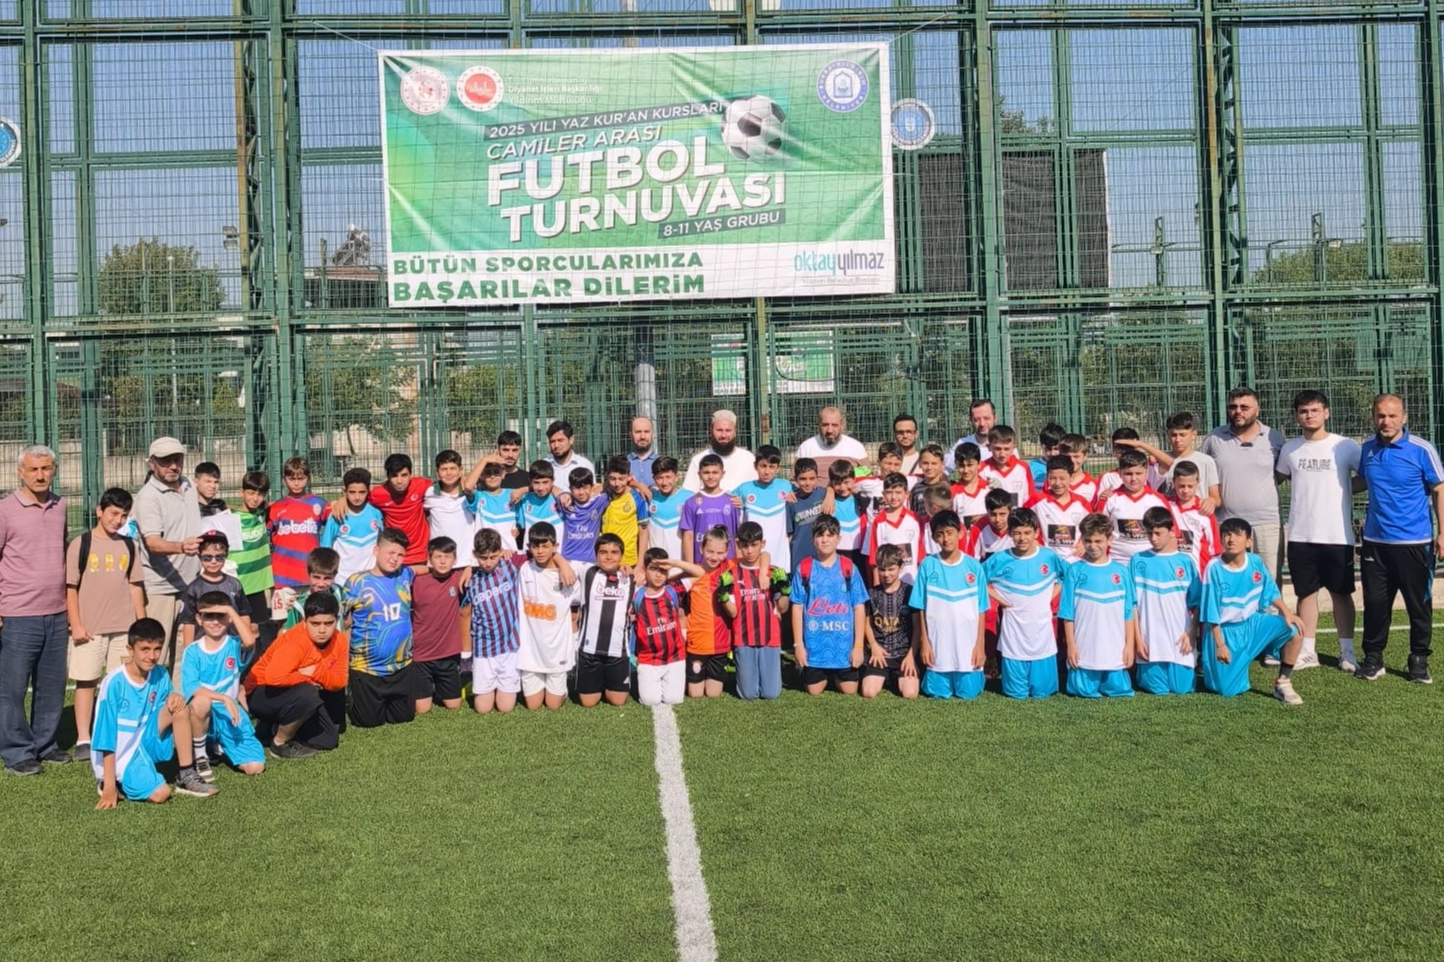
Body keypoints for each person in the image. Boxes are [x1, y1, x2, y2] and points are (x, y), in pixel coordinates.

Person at [1355, 393, 1444, 684]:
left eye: (1392, 415)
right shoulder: (1367, 449)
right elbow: (1361, 482)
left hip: (1414, 544)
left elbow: (1439, 489)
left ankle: (1418, 660)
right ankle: (1373, 658)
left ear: (1404, 417)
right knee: (1375, 604)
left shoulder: (1421, 449)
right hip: (1375, 543)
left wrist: (1442, 533)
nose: (1386, 421)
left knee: (1419, 606)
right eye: (1381, 415)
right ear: (1374, 418)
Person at [1276, 389, 1362, 672]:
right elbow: (1277, 479)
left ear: (1326, 413)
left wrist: (1343, 488)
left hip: (1337, 534)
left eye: (1314, 410)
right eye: (1303, 411)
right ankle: (1308, 651)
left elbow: (1367, 478)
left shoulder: (1346, 446)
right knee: (1306, 594)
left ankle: (1347, 652)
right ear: (1296, 416)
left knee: (1341, 593)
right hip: (1301, 535)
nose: (1309, 415)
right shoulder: (1290, 449)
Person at [91, 618, 217, 806]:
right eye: (145, 649)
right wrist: (109, 786)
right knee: (161, 794)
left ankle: (186, 774)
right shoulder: (114, 682)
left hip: (143, 741)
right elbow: (105, 736)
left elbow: (166, 706)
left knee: (178, 706)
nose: (152, 656)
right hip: (120, 756)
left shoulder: (160, 674)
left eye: (157, 649)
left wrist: (174, 696)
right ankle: (113, 780)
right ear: (130, 650)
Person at [0, 444, 70, 776]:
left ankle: (45, 744)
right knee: (13, 688)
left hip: (57, 611)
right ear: (20, 472)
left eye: (46, 468)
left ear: (54, 470)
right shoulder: (5, 510)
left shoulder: (61, 506)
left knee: (52, 685)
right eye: (33, 469)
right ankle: (17, 752)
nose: (40, 475)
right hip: (17, 613)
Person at [65, 488, 146, 759]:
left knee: (119, 683)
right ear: (99, 511)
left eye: (123, 516)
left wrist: (141, 624)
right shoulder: (81, 544)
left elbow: (135, 586)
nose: (117, 520)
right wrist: (76, 624)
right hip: (89, 629)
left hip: (124, 628)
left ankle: (115, 733)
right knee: (86, 682)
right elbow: (71, 588)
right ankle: (83, 738)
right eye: (113, 513)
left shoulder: (129, 545)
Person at [1200, 517, 1307, 703]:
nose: (1231, 539)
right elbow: (1211, 613)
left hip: (1253, 623)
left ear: (1248, 541)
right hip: (1225, 632)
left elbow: (1270, 591)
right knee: (1226, 690)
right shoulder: (1214, 568)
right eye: (1227, 535)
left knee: (1295, 629)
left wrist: (1288, 613)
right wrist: (1220, 645)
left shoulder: (1255, 562)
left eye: (1237, 535)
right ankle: (1236, 664)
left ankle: (1283, 682)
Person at [244, 592, 348, 756]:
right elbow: (274, 677)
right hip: (261, 692)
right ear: (304, 621)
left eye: (329, 623)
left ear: (337, 620)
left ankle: (272, 726)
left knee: (328, 740)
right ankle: (280, 743)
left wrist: (315, 671)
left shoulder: (340, 640)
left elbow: (340, 681)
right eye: (315, 623)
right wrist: (308, 678)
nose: (322, 630)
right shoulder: (294, 642)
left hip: (294, 690)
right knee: (308, 693)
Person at [1199, 387, 1286, 581]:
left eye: (1244, 407)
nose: (1238, 411)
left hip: (1266, 523)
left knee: (1268, 580)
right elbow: (1197, 469)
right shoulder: (1213, 439)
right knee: (1228, 579)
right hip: (1225, 522)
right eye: (1233, 407)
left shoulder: (1274, 438)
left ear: (1257, 409)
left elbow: (1280, 475)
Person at [132, 436, 203, 666]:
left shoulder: (189, 485)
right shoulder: (147, 497)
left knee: (184, 654)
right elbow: (152, 542)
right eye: (165, 461)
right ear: (151, 463)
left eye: (177, 459)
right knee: (154, 654)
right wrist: (180, 547)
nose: (173, 466)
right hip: (160, 588)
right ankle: (148, 690)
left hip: (190, 583)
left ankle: (178, 691)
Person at [179, 592, 264, 782]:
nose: (215, 622)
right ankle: (201, 755)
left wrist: (230, 610)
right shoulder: (192, 651)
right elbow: (193, 689)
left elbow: (250, 641)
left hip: (229, 714)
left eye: (221, 616)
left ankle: (219, 745)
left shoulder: (234, 644)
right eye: (209, 616)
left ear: (229, 618)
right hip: (205, 712)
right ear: (199, 619)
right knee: (201, 702)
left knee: (255, 767)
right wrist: (224, 698)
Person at [984, 507, 1064, 700]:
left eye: (1027, 532)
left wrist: (1049, 597)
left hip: (1042, 634)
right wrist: (1001, 600)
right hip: (1014, 635)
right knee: (1016, 694)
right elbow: (977, 580)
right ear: (1010, 533)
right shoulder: (1000, 559)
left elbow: (1064, 576)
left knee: (1042, 693)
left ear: (1036, 532)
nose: (1022, 538)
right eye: (1017, 533)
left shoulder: (1049, 556)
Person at [343, 527, 418, 728]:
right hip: (367, 669)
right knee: (368, 722)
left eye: (400, 555)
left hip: (401, 666)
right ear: (376, 550)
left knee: (404, 718)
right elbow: (344, 623)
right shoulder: (356, 583)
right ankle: (352, 694)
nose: (395, 559)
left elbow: (422, 568)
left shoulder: (405, 575)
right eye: (391, 552)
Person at [791, 514, 869, 696]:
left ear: (838, 539)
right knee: (814, 691)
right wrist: (798, 645)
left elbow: (859, 607)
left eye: (830, 535)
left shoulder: (849, 567)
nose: (825, 540)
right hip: (815, 649)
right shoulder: (804, 568)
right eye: (820, 535)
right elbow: (797, 607)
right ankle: (810, 671)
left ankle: (838, 673)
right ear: (813, 539)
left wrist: (858, 646)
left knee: (849, 690)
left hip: (843, 649)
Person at [1059, 514, 1135, 699]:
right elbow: (1068, 613)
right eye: (1088, 541)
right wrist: (1071, 645)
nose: (1093, 546)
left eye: (1098, 541)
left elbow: (1128, 613)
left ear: (1109, 540)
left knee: (1119, 691)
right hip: (1084, 649)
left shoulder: (1121, 572)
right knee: (1082, 691)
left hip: (1115, 649)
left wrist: (1129, 645)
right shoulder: (1074, 570)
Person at [914, 512, 989, 700]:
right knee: (937, 693)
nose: (945, 539)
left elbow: (981, 609)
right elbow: (920, 607)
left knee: (969, 694)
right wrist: (925, 642)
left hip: (967, 646)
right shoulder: (927, 565)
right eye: (940, 534)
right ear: (934, 537)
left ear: (960, 533)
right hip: (938, 645)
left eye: (949, 532)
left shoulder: (974, 566)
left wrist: (980, 645)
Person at [1131, 506, 1202, 696]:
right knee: (1157, 689)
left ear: (1172, 531)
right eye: (1149, 533)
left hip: (1179, 640)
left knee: (1182, 689)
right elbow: (1132, 605)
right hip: (1149, 641)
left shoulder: (1186, 562)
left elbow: (1196, 604)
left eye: (1158, 533)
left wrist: (1192, 633)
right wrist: (1138, 639)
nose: (1153, 538)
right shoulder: (1137, 560)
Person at [718, 522, 790, 700]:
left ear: (762, 544)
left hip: (770, 638)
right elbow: (733, 613)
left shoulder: (773, 572)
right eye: (745, 545)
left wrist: (785, 591)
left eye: (754, 545)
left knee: (771, 694)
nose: (749, 551)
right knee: (747, 694)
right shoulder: (732, 574)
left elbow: (782, 608)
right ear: (738, 544)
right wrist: (723, 596)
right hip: (744, 638)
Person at [515, 522, 581, 711]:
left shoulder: (567, 574)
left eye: (545, 546)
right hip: (530, 652)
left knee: (553, 706)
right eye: (535, 546)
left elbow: (578, 605)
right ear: (529, 547)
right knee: (533, 706)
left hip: (557, 652)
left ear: (555, 546)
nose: (540, 551)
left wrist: (562, 564)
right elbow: (503, 555)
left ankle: (562, 690)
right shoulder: (525, 569)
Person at [673, 525, 734, 699]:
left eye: (720, 552)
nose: (714, 557)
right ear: (701, 549)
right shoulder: (693, 573)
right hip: (697, 643)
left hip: (720, 644)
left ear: (727, 552)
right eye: (710, 551)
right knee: (695, 694)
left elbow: (762, 556)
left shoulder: (729, 567)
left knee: (713, 693)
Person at [467, 529, 523, 714]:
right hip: (483, 649)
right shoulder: (471, 580)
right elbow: (463, 612)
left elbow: (538, 554)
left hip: (509, 647)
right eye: (483, 558)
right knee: (482, 709)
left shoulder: (510, 565)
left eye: (493, 557)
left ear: (500, 551)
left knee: (505, 708)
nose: (488, 562)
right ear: (475, 554)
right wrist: (468, 568)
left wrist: (562, 563)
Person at [575, 534, 634, 708]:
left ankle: (607, 680)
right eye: (603, 552)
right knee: (588, 703)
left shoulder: (631, 577)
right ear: (596, 555)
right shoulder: (587, 572)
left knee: (618, 701)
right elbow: (558, 560)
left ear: (622, 556)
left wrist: (626, 567)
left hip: (618, 651)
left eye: (614, 552)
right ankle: (596, 681)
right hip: (589, 650)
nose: (609, 557)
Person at [411, 536, 466, 713]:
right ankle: (426, 688)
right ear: (429, 559)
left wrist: (469, 569)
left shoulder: (458, 578)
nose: (443, 561)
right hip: (421, 655)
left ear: (455, 559)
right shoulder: (416, 581)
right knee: (422, 709)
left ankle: (442, 686)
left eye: (447, 557)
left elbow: (478, 566)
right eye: (438, 557)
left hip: (447, 654)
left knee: (454, 705)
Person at [1117, 411, 1221, 504]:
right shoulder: (1157, 460)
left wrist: (1210, 502)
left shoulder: (1206, 461)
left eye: (1182, 435)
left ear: (1193, 434)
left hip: (1195, 515)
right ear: (1167, 435)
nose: (1177, 440)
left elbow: (1215, 498)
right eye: (1173, 435)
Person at [177, 532, 252, 655]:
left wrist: (246, 640)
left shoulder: (235, 584)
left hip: (231, 646)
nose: (213, 561)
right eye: (207, 557)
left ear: (226, 556)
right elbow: (189, 623)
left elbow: (244, 614)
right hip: (204, 649)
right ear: (199, 556)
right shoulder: (193, 588)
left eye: (219, 557)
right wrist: (189, 653)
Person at [862, 543, 919, 699]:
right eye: (882, 569)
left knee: (910, 693)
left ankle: (896, 678)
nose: (886, 574)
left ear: (900, 568)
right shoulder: (872, 593)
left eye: (891, 569)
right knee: (868, 692)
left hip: (903, 654)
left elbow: (918, 627)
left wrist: (911, 656)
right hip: (880, 654)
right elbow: (867, 623)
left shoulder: (909, 592)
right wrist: (873, 646)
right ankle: (886, 677)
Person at [633, 548, 688, 706]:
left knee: (673, 699)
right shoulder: (636, 594)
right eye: (653, 569)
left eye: (662, 570)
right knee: (650, 701)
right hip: (648, 658)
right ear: (644, 570)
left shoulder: (672, 590)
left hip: (675, 657)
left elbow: (699, 572)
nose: (658, 575)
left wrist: (674, 563)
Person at [267, 456, 330, 593]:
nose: (296, 483)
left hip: (311, 575)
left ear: (308, 478)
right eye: (292, 479)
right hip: (282, 577)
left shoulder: (319, 504)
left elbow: (336, 524)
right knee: (283, 608)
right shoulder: (275, 508)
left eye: (301, 479)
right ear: (284, 479)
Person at [1097, 449, 1170, 564]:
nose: (1134, 479)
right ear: (1120, 473)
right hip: (1117, 560)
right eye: (1128, 474)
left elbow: (1171, 532)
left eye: (1138, 473)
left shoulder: (1158, 500)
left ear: (1147, 473)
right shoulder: (1109, 499)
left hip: (1151, 560)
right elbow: (1098, 531)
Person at [234, 471, 276, 649]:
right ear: (241, 492)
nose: (255, 498)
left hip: (257, 585)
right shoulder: (230, 518)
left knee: (256, 628)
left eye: (260, 494)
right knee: (239, 630)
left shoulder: (263, 513)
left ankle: (255, 664)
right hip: (238, 583)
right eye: (251, 493)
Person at [366, 454, 432, 566]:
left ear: (410, 475)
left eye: (404, 475)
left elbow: (446, 486)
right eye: (394, 476)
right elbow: (357, 499)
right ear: (388, 476)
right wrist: (342, 502)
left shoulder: (421, 485)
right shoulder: (378, 494)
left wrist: (462, 480)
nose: (399, 481)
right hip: (394, 555)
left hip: (420, 554)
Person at [734, 446, 790, 576]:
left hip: (780, 559)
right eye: (763, 466)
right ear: (755, 466)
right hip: (752, 559)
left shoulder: (786, 486)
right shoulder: (744, 489)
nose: (767, 471)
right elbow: (722, 499)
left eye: (772, 467)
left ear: (778, 468)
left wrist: (830, 492)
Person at [320, 468, 383, 584]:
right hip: (342, 579)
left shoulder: (376, 514)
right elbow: (325, 548)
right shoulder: (336, 516)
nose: (357, 497)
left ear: (368, 491)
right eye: (352, 492)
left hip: (370, 579)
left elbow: (381, 543)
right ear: (345, 491)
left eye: (362, 492)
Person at [680, 454, 740, 564]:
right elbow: (688, 536)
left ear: (722, 474)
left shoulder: (732, 502)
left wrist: (739, 565)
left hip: (728, 564)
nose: (711, 477)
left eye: (715, 472)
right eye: (706, 472)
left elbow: (737, 536)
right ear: (699, 474)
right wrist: (690, 567)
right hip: (701, 563)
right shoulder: (691, 502)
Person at [867, 472, 925, 585]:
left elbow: (921, 553)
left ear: (906, 494)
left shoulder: (915, 519)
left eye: (898, 492)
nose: (893, 497)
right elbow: (874, 556)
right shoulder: (879, 522)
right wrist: (877, 583)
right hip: (888, 583)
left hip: (911, 581)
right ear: (883, 494)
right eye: (889, 492)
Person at [1028, 455, 1089, 560]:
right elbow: (1022, 522)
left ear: (1071, 477)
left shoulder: (1082, 503)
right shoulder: (1036, 501)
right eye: (1052, 478)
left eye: (1062, 478)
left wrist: (1084, 543)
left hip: (1075, 561)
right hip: (1046, 560)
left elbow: (1092, 528)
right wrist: (1034, 541)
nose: (1057, 483)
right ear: (1047, 477)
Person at [682, 408, 757, 493]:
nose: (723, 435)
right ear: (711, 431)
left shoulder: (748, 459)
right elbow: (688, 493)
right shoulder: (698, 460)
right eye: (719, 430)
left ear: (735, 432)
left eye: (728, 430)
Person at [424, 450, 479, 562]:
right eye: (444, 469)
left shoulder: (470, 492)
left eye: (453, 468)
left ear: (460, 470)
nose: (449, 473)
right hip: (440, 559)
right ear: (437, 472)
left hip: (466, 558)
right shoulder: (430, 493)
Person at [1166, 461, 1220, 575]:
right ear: (1174, 482)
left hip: (1198, 574)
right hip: (1172, 573)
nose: (1186, 491)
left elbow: (1215, 549)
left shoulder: (1205, 511)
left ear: (1198, 483)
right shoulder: (1165, 505)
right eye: (1181, 486)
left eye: (1190, 486)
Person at [600, 455, 650, 569]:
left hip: (628, 561)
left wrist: (640, 564)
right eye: (613, 479)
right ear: (607, 477)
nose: (617, 484)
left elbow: (643, 531)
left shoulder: (637, 498)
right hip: (606, 560)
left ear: (629, 477)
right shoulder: (603, 497)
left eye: (621, 479)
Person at [795, 406, 868, 478]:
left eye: (834, 425)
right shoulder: (806, 448)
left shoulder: (856, 447)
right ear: (819, 424)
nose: (829, 430)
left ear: (842, 425)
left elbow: (868, 478)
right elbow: (794, 480)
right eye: (825, 425)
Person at [281, 547, 342, 630]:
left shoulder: (340, 593)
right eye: (316, 577)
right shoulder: (299, 605)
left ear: (335, 575)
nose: (321, 584)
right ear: (308, 573)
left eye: (327, 578)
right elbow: (289, 634)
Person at [558, 468, 608, 564]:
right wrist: (563, 494)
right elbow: (552, 487)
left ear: (592, 487)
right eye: (576, 488)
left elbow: (613, 483)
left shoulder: (599, 501)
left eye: (585, 488)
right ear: (570, 489)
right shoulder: (566, 503)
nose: (581, 492)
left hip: (590, 561)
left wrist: (636, 484)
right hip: (568, 560)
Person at [979, 425, 1036, 507]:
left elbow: (1030, 499)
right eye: (997, 449)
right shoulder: (981, 469)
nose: (1002, 454)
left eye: (1006, 449)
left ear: (1013, 448)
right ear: (989, 447)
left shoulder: (1023, 468)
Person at [473, 461, 521, 555]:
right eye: (488, 473)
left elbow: (520, 521)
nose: (492, 476)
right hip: (487, 554)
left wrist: (517, 528)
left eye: (496, 472)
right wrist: (486, 459)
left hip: (509, 552)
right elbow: (468, 487)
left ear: (503, 474)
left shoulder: (513, 494)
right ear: (481, 476)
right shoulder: (478, 496)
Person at [785, 457, 827, 566]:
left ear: (817, 477)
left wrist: (830, 493)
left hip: (821, 553)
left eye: (812, 478)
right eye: (803, 479)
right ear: (796, 479)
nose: (808, 483)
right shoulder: (791, 502)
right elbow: (789, 534)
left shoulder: (823, 494)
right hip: (799, 555)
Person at [648, 457, 691, 563]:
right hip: (655, 563)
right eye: (660, 478)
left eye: (668, 477)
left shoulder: (689, 498)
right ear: (654, 478)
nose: (664, 482)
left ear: (676, 477)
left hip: (679, 563)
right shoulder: (649, 496)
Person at [515, 460, 563, 548]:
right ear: (530, 481)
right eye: (536, 482)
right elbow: (517, 525)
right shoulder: (525, 500)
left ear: (553, 481)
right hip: (531, 554)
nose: (541, 488)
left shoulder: (561, 500)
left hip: (557, 553)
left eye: (545, 482)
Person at [544, 420, 595, 496]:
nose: (556, 445)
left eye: (560, 440)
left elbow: (591, 492)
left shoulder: (584, 464)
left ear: (571, 440)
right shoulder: (544, 466)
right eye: (552, 441)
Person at [964, 488, 1014, 562]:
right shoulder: (978, 528)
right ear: (987, 511)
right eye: (993, 514)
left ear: (1010, 511)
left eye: (1002, 514)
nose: (997, 519)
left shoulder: (1017, 525)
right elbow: (972, 560)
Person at [945, 398, 996, 471]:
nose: (982, 424)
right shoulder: (963, 444)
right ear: (971, 421)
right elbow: (944, 470)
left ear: (995, 418)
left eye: (986, 418)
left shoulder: (1005, 445)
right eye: (976, 420)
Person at [950, 443, 988, 530]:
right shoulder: (952, 492)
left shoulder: (989, 488)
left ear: (979, 464)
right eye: (961, 466)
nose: (966, 470)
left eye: (970, 465)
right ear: (956, 464)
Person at [1059, 433, 1100, 505]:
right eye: (1067, 457)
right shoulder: (1053, 482)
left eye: (1076, 456)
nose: (1072, 460)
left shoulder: (1093, 484)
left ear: (1085, 456)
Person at [1028, 422, 1067, 489]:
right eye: (1048, 449)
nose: (1052, 453)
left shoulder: (1068, 466)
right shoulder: (1030, 467)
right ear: (1041, 445)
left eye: (1056, 449)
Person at [628, 416, 658, 488]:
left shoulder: (662, 463)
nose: (642, 437)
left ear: (653, 434)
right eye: (638, 432)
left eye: (646, 432)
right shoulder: (622, 463)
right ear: (630, 435)